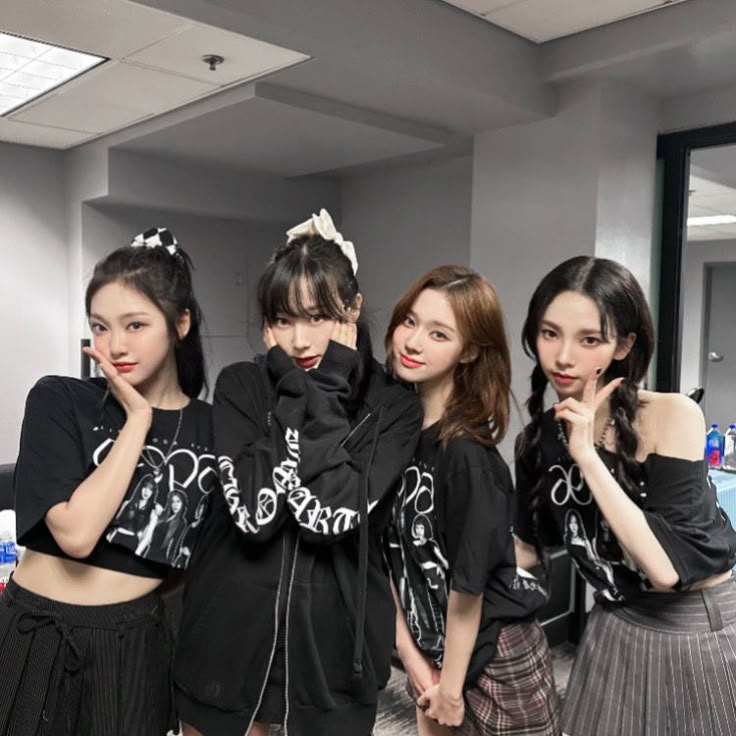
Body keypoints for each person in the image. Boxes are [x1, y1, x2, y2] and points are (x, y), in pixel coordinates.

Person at [174, 209, 423, 736]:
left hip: (332, 652)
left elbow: (328, 516)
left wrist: (327, 387)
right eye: (284, 320)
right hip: (228, 638)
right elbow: (253, 516)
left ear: (353, 309)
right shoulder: (242, 385)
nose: (301, 341)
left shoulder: (393, 408)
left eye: (318, 317)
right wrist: (294, 395)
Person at [2, 227, 217, 735]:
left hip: (132, 643)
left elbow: (195, 560)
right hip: (37, 630)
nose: (115, 345)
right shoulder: (60, 400)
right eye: (99, 327)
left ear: (180, 323)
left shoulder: (213, 428)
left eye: (135, 324)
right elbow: (76, 535)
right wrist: (139, 421)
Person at [514, 255, 736, 735]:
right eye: (549, 333)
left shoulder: (672, 415)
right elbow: (527, 548)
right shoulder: (539, 440)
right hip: (614, 621)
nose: (564, 357)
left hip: (695, 625)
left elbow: (664, 570)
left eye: (589, 339)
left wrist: (589, 459)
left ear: (624, 344)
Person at [384, 265, 560, 736]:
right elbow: (388, 559)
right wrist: (413, 656)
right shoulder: (394, 437)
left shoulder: (466, 457)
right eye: (410, 322)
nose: (413, 342)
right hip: (436, 653)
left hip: (493, 655)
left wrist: (451, 689)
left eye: (439, 333)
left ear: (470, 352)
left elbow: (468, 591)